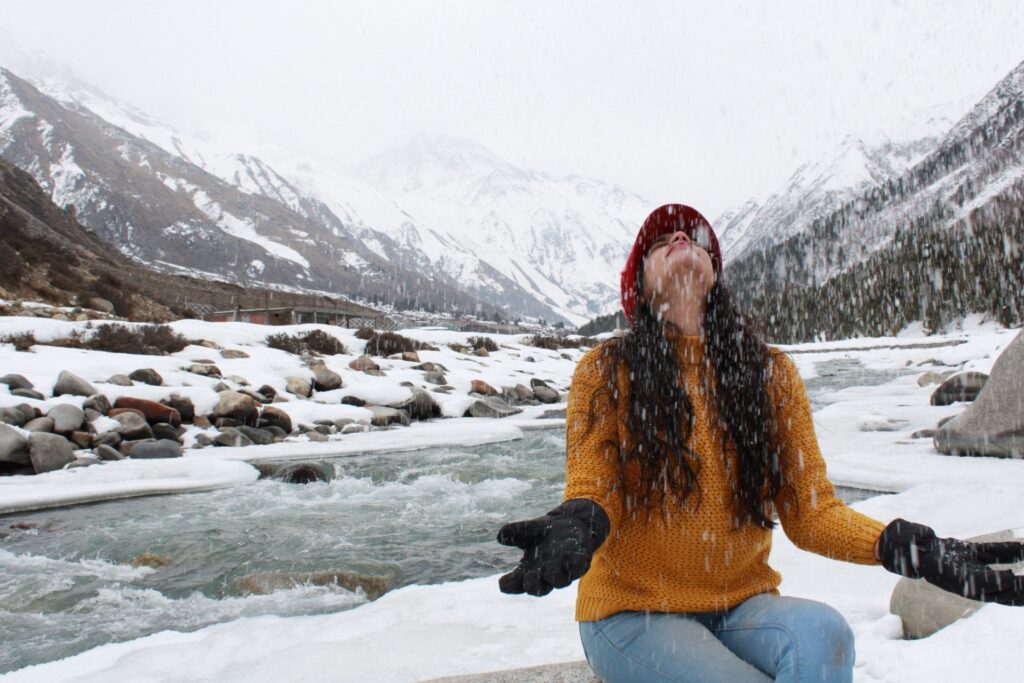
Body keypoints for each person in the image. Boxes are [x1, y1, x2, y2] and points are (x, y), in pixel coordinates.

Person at [496, 204, 1024, 683]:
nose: (680, 236)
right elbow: (594, 485)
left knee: (826, 634)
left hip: (740, 606)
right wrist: (580, 522)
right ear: (639, 285)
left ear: (714, 271)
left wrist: (903, 545)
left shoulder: (770, 374)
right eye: (661, 242)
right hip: (632, 612)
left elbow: (812, 512)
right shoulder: (604, 371)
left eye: (693, 236)